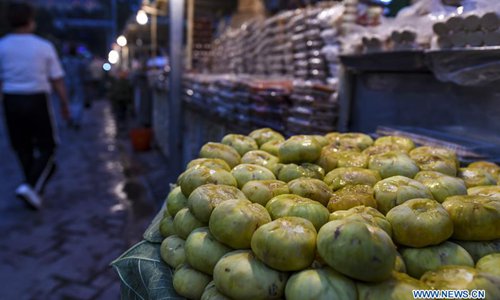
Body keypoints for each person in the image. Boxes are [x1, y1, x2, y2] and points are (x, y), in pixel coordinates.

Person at [0, 2, 70, 210]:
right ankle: (31, 186)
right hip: (37, 99)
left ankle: (31, 189)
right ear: (31, 21)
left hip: (11, 100)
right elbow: (57, 79)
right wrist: (64, 104)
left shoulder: (2, 46)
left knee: (22, 147)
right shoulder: (43, 46)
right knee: (48, 146)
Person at [62, 43, 86, 129]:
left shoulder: (64, 62)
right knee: (78, 102)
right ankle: (76, 120)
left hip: (67, 83)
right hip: (77, 83)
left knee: (68, 102)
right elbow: (83, 74)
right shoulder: (80, 62)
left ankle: (70, 118)